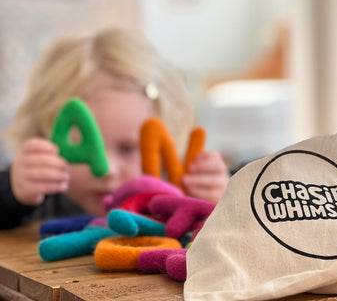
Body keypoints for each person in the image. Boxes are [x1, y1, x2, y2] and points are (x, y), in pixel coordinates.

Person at [0, 27, 230, 229]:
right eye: (84, 145)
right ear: (44, 136)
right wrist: (13, 191)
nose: (107, 170)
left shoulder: (177, 196)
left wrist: (227, 199)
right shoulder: (40, 197)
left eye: (128, 148)